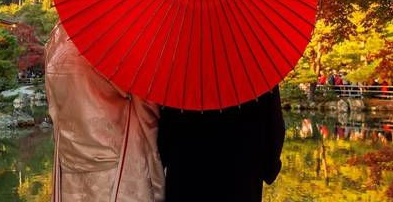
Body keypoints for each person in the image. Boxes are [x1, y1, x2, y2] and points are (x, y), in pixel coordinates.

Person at [45, 23, 164, 202]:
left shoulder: (56, 37)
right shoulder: (115, 35)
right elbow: (146, 102)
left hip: (70, 157)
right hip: (114, 160)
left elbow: (53, 101)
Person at [157, 87, 285, 202]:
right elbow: (274, 131)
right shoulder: (257, 71)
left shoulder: (177, 74)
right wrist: (269, 168)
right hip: (242, 182)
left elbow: (163, 140)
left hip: (186, 182)